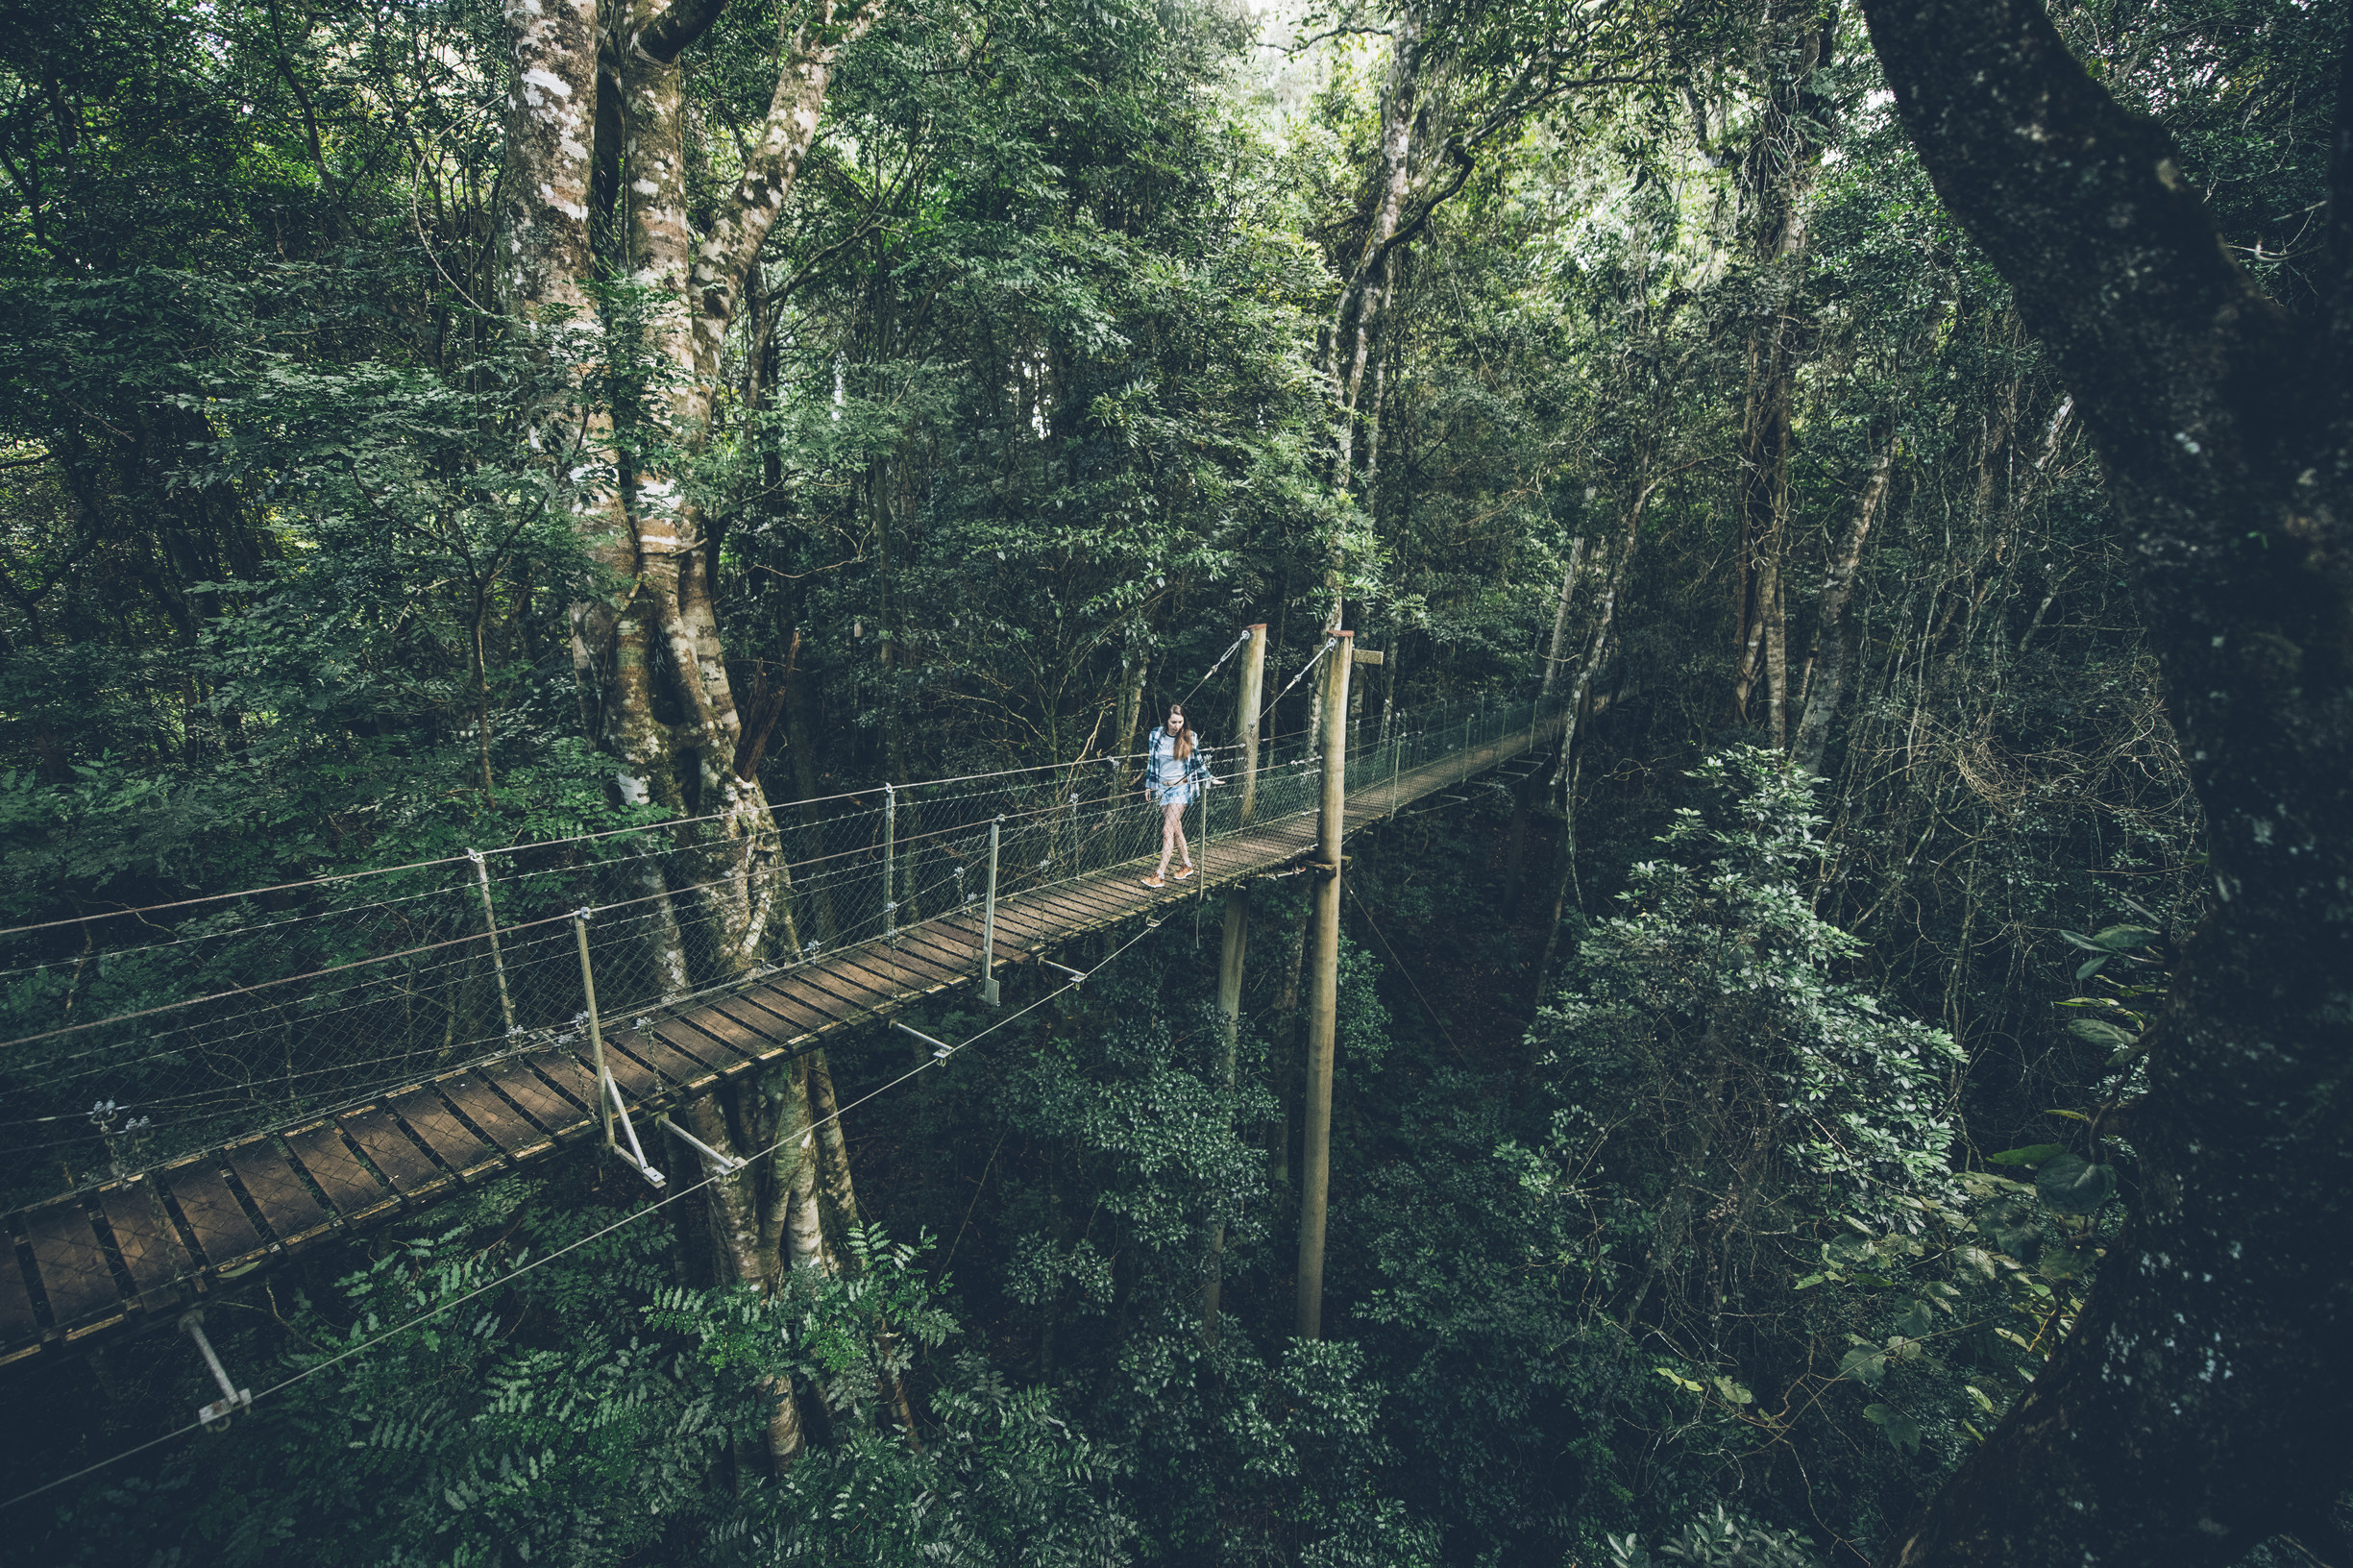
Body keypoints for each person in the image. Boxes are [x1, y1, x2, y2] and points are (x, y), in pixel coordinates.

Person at [1141, 701, 1209, 889]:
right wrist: (1149, 785)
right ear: (1166, 721)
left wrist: (1209, 777)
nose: (1177, 726)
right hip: (1162, 789)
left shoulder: (1190, 737)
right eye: (1173, 722)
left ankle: (1159, 874)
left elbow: (1198, 762)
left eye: (1180, 722)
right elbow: (1151, 762)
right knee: (1176, 828)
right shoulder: (1156, 735)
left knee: (1167, 830)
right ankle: (1187, 865)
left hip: (1181, 789)